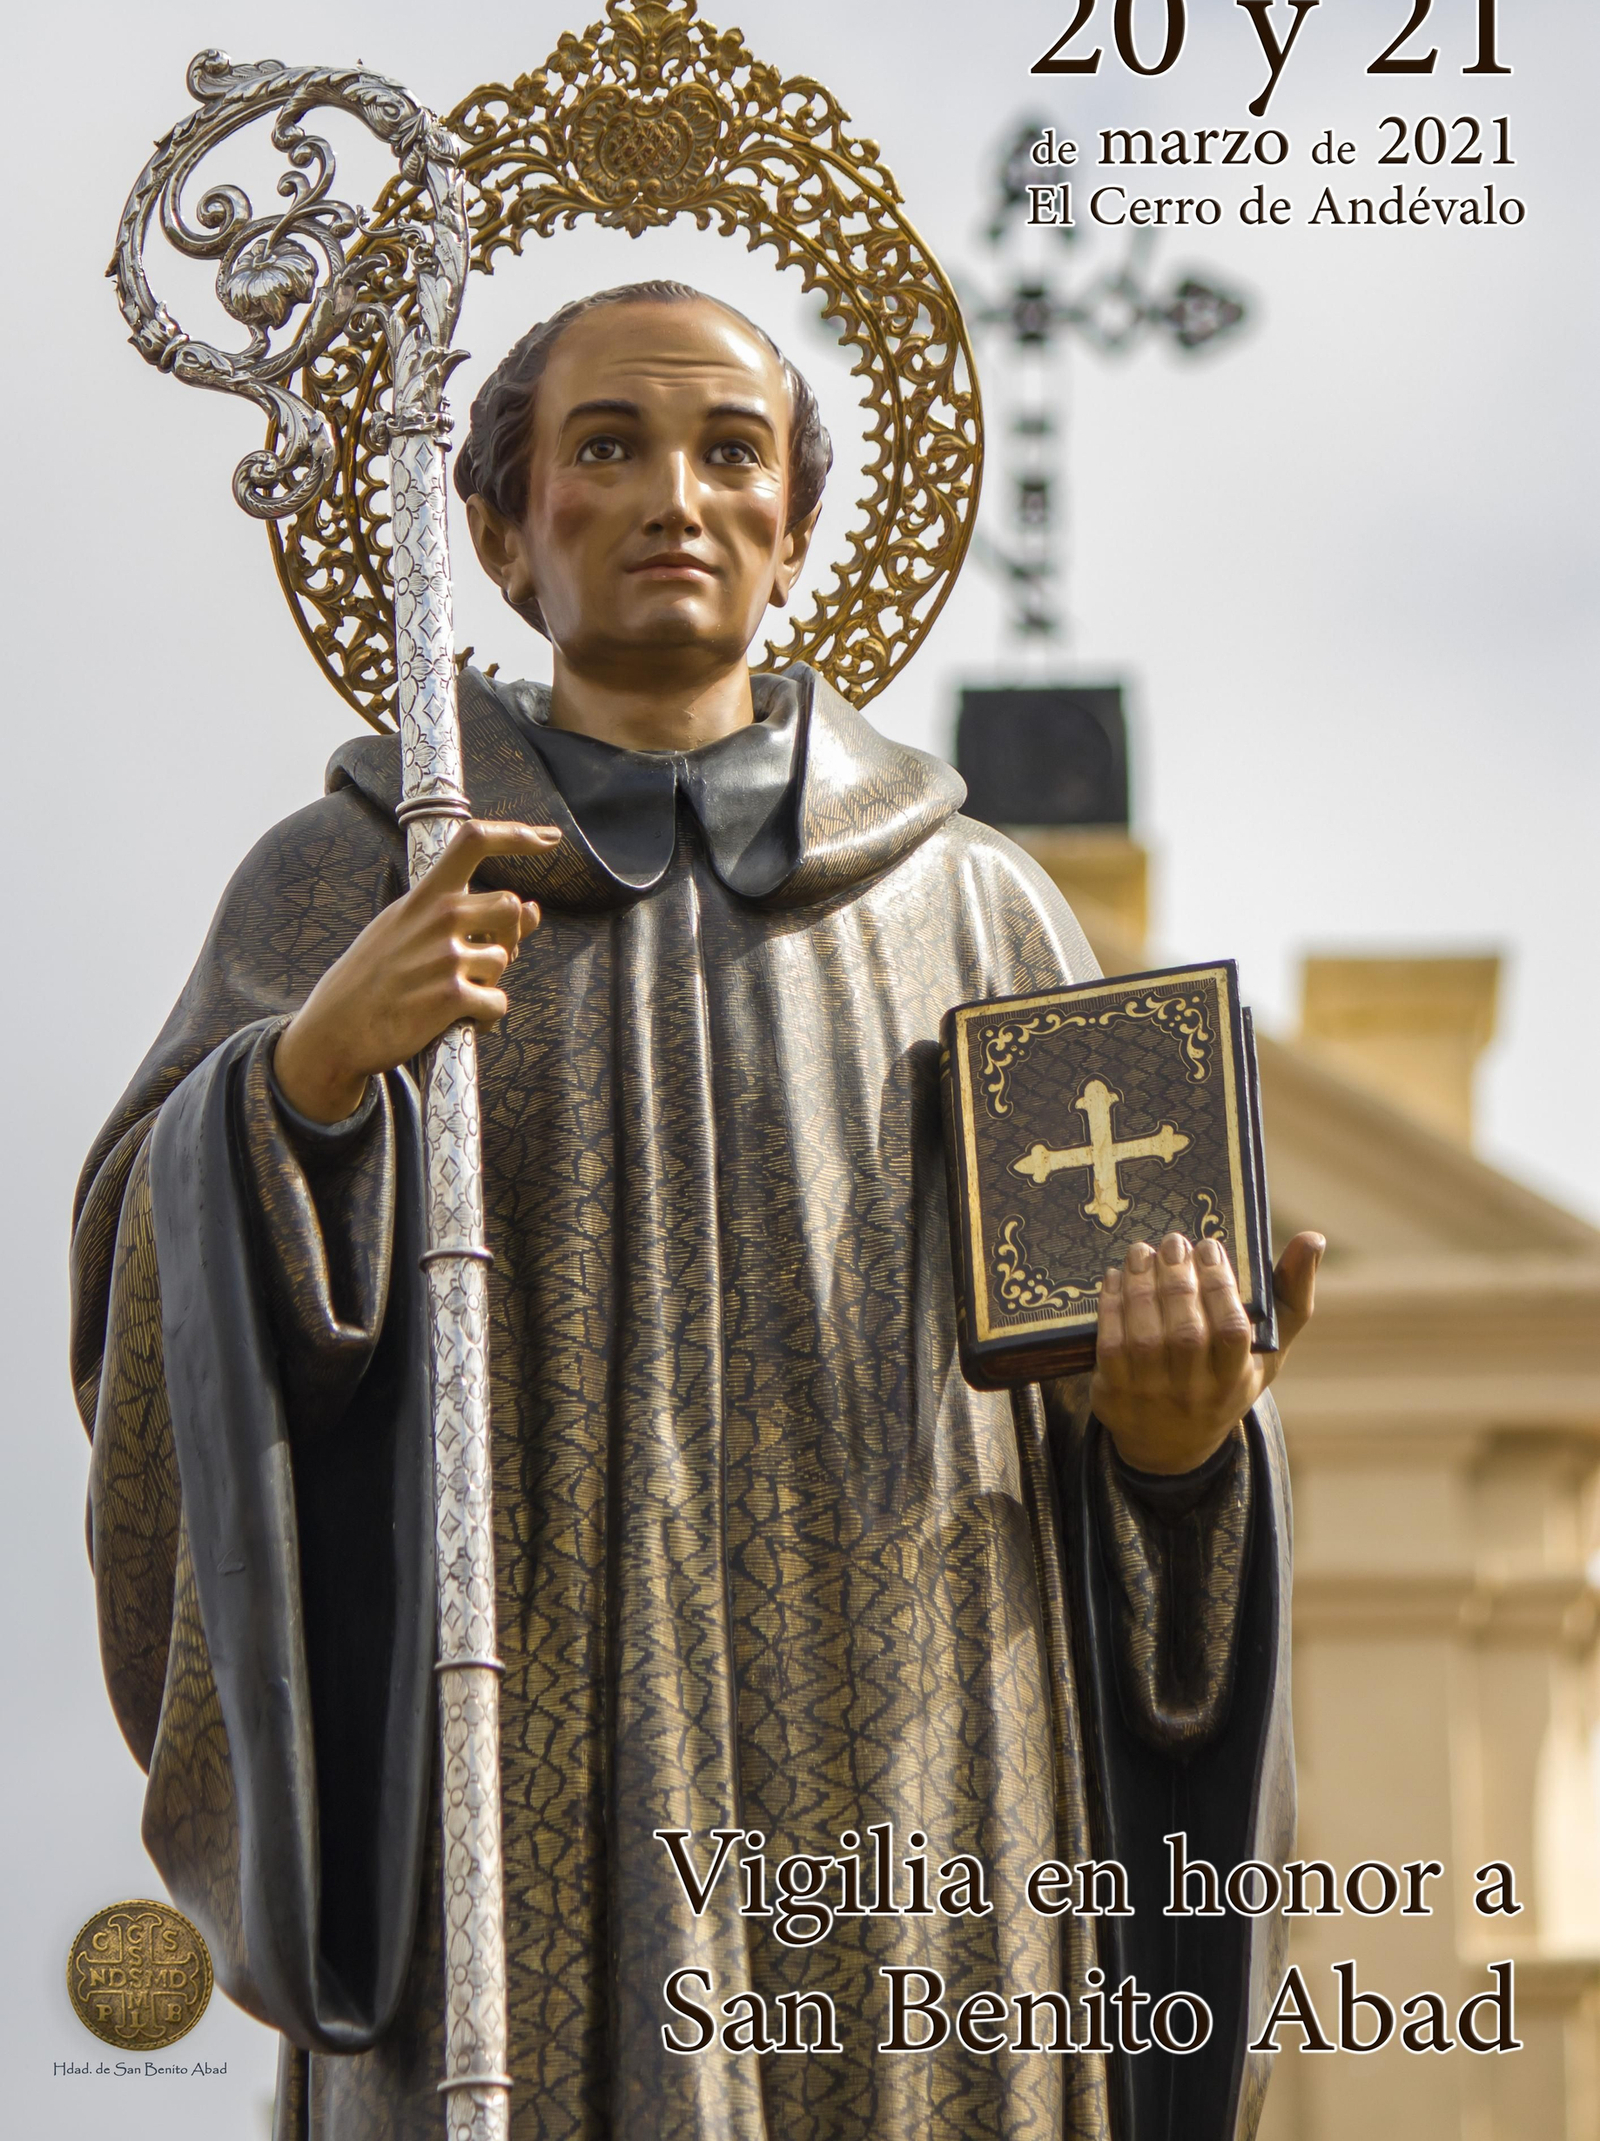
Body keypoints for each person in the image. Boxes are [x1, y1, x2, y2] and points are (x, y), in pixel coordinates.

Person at [72, 277, 1321, 2141]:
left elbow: (1137, 1381)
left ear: (796, 529)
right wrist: (312, 1082)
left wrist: (1176, 1450)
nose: (676, 495)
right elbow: (147, 1294)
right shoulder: (361, 875)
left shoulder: (979, 913)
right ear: (501, 536)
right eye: (609, 448)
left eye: (732, 452)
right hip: (523, 1751)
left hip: (914, 1775)